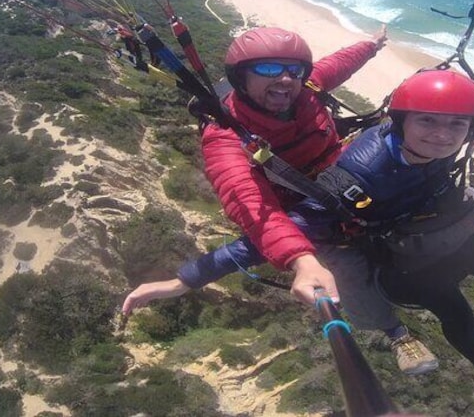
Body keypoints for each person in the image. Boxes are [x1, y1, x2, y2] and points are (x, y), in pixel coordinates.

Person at [123, 26, 439, 376]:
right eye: (270, 69)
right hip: (304, 207)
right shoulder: (225, 139)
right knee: (345, 268)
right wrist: (301, 259)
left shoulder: (309, 87)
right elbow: (251, 206)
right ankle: (396, 333)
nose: (286, 80)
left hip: (347, 172)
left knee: (416, 171)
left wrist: (372, 45)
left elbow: (340, 63)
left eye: (293, 70)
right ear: (240, 77)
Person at [286, 69, 474, 412]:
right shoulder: (364, 167)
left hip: (446, 225)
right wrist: (299, 259)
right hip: (406, 255)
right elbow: (302, 220)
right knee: (457, 311)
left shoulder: (451, 132)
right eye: (427, 121)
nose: (442, 136)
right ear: (401, 123)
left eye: (455, 126)